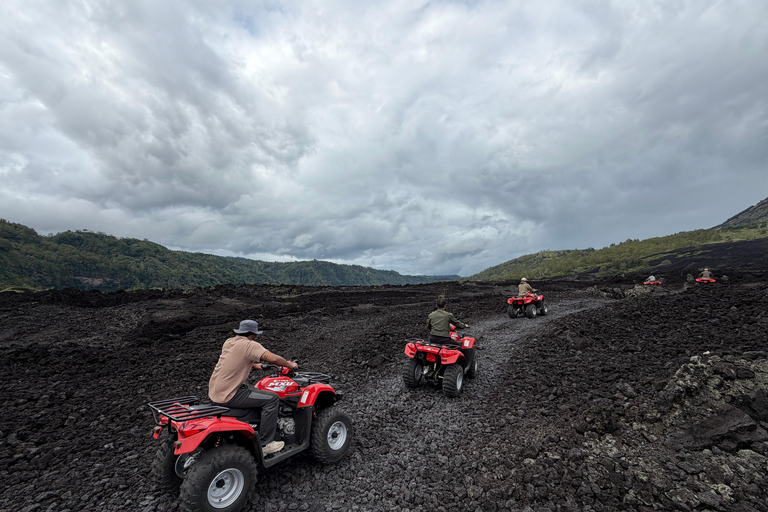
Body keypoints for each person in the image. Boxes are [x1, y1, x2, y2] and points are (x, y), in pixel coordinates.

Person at [208, 319, 298, 455]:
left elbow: (235, 359)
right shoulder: (250, 345)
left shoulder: (229, 342)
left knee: (257, 390)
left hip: (215, 391)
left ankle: (259, 424)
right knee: (272, 399)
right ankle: (266, 443)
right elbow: (273, 359)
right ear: (253, 334)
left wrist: (256, 365)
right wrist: (290, 365)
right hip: (229, 394)